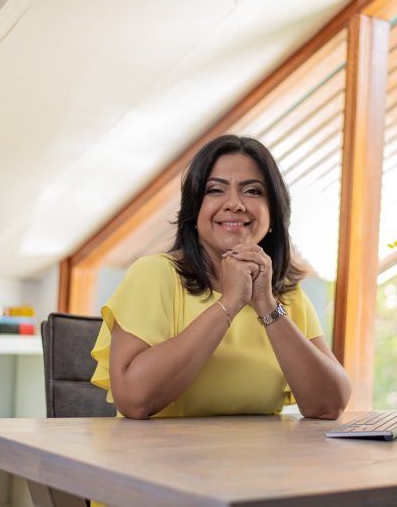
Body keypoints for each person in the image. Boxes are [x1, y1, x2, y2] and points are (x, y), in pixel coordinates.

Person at [91, 135, 351, 419]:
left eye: (252, 191)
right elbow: (133, 400)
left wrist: (265, 303)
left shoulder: (284, 294)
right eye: (215, 190)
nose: (234, 204)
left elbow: (329, 404)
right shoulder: (154, 275)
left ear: (273, 215)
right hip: (157, 461)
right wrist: (230, 303)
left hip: (265, 462)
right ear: (194, 210)